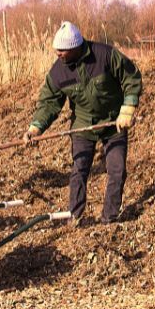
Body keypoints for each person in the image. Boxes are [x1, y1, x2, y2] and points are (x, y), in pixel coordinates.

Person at [23, 21, 142, 224]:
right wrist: (35, 128)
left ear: (75, 48)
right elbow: (49, 103)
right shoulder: (58, 73)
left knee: (117, 170)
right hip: (83, 125)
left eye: (62, 51)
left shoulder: (104, 55)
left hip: (114, 123)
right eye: (56, 50)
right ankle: (75, 215)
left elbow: (131, 77)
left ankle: (109, 218)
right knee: (79, 169)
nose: (58, 54)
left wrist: (127, 109)